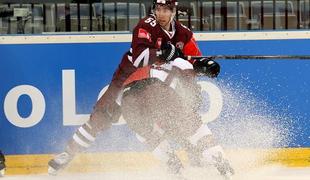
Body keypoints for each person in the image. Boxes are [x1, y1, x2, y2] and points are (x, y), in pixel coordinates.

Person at [48, 0, 233, 178]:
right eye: (158, 8)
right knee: (105, 118)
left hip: (156, 85)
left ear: (174, 11)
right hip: (128, 82)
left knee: (173, 118)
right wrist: (166, 54)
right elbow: (140, 58)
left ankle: (198, 157)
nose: (161, 13)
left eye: (166, 9)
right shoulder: (145, 26)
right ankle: (67, 154)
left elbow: (189, 62)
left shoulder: (183, 34)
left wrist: (202, 65)